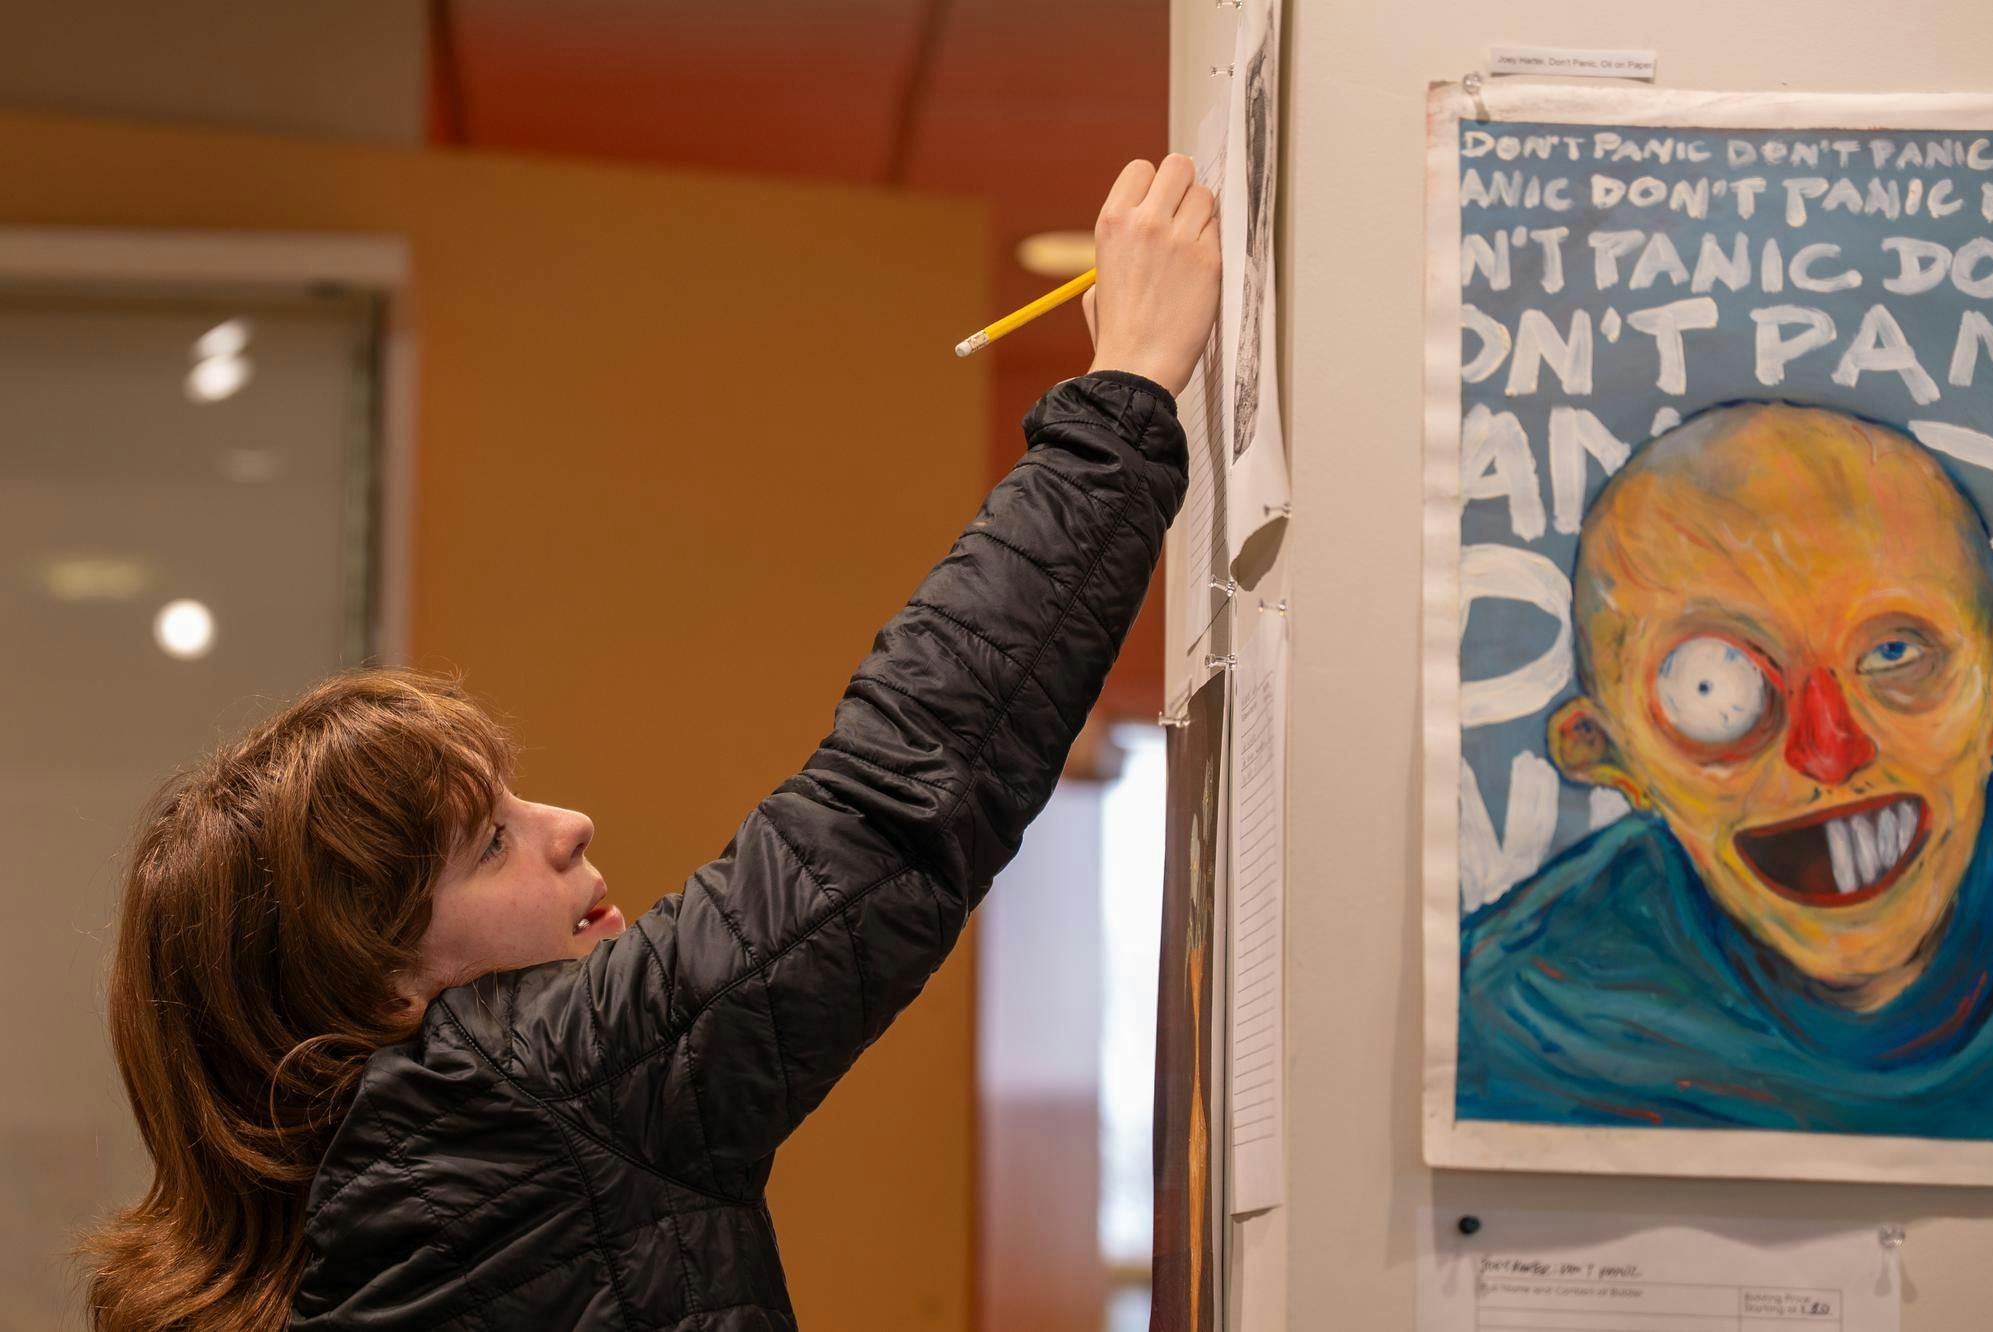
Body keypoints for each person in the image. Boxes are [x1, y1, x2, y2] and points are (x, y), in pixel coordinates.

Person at [82, 154, 1221, 1331]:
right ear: (369, 982)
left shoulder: (350, 1215)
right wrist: (1123, 394)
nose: (567, 827)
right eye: (486, 845)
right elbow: (885, 805)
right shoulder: (506, 1103)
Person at [1459, 402, 1993, 1137]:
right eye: (1713, 688)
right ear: (1609, 755)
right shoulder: (1515, 1021)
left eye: (1897, 655)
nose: (1828, 752)